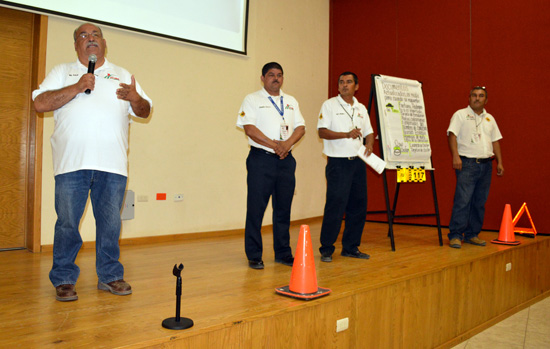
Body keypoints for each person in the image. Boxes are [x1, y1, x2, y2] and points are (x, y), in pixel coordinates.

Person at [33, 23, 152, 301]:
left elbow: (145, 111)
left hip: (112, 166)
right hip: (71, 165)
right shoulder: (63, 72)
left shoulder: (121, 74)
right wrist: (77, 86)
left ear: (104, 43)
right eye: (83, 36)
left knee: (110, 223)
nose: (90, 39)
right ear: (76, 45)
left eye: (95, 35)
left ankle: (110, 276)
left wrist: (135, 98)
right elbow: (40, 103)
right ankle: (63, 279)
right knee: (67, 224)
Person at [236, 62, 306, 269]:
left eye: (279, 75)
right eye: (271, 75)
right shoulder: (252, 99)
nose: (276, 78)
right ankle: (254, 255)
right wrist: (276, 145)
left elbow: (301, 127)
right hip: (261, 160)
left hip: (286, 161)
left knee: (283, 209)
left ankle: (283, 253)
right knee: (256, 209)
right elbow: (249, 128)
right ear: (262, 78)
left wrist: (286, 145)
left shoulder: (291, 100)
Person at [317, 72, 374, 262]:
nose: (344, 85)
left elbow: (369, 132)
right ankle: (326, 248)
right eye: (341, 82)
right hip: (338, 163)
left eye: (349, 82)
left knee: (358, 206)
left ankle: (351, 247)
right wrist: (345, 134)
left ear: (356, 86)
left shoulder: (361, 108)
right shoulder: (329, 105)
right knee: (335, 205)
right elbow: (322, 131)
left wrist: (370, 145)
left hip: (358, 162)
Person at [447, 86, 503, 249]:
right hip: (467, 164)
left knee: (479, 202)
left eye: (481, 96)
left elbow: (495, 141)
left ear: (486, 100)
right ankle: (456, 235)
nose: (477, 98)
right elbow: (452, 135)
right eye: (474, 95)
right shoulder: (460, 115)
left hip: (486, 165)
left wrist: (499, 161)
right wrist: (455, 156)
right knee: (463, 200)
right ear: (469, 98)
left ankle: (472, 234)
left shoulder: (490, 118)